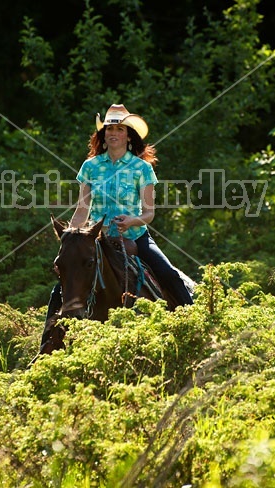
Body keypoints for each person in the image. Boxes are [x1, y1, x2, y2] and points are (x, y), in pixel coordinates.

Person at [39, 104, 193, 352]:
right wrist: (72, 238)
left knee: (168, 274)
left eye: (119, 128)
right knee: (63, 286)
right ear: (103, 134)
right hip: (95, 239)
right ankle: (46, 347)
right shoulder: (90, 167)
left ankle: (194, 328)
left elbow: (149, 213)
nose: (113, 133)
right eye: (110, 128)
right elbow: (82, 209)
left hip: (136, 237)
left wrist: (131, 221)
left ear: (128, 135)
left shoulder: (142, 169)